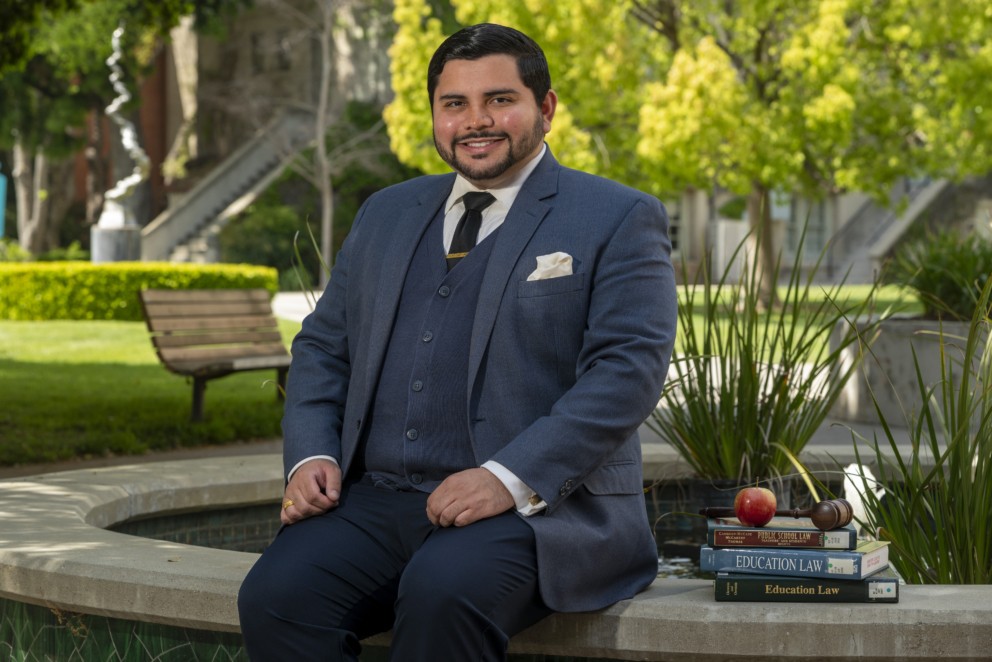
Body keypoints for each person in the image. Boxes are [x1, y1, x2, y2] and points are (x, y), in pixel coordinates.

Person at [237, 22, 677, 661]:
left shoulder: (616, 215)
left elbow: (627, 371)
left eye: (500, 99)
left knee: (444, 594)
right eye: (455, 104)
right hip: (377, 500)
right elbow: (322, 347)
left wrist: (507, 477)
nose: (477, 121)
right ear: (436, 116)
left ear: (545, 108)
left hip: (535, 513)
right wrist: (310, 455)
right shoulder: (386, 212)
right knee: (276, 598)